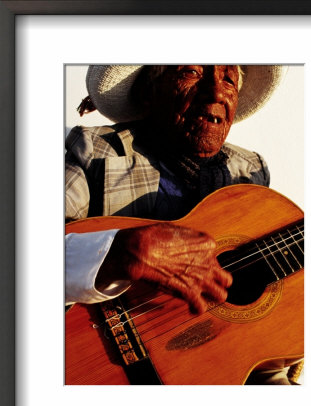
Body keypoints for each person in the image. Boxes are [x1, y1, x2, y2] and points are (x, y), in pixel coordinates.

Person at [65, 64, 298, 384]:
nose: (216, 91)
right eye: (191, 71)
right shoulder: (93, 150)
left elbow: (254, 340)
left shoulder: (250, 171)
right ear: (148, 91)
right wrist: (114, 253)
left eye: (229, 79)